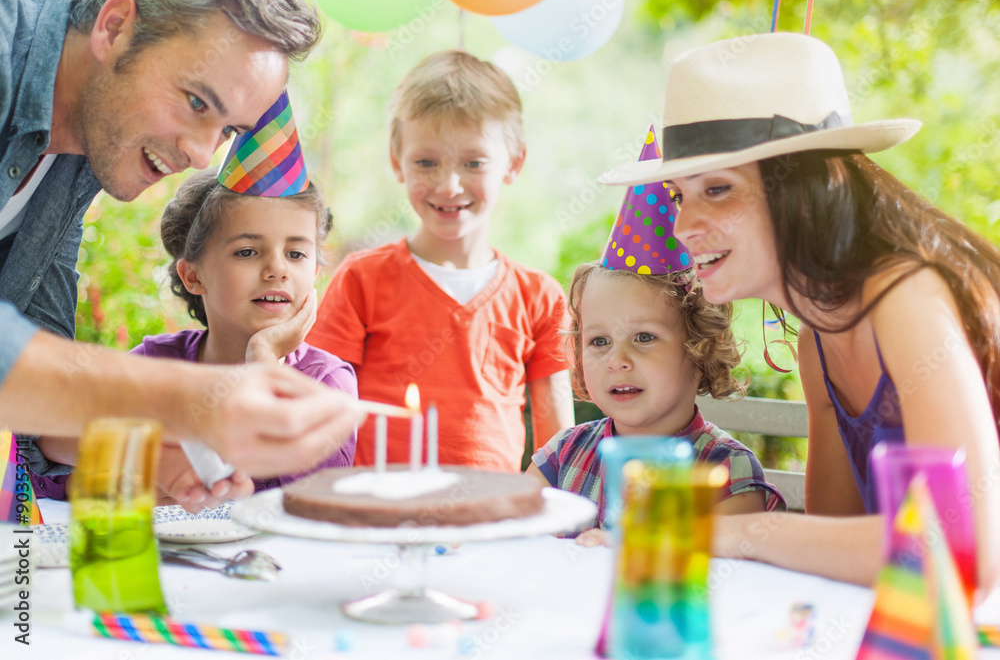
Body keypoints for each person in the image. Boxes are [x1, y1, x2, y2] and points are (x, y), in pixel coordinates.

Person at [598, 32, 1000, 594]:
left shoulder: (905, 295)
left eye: (717, 189)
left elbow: (962, 555)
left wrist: (719, 531)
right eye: (677, 195)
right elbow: (835, 540)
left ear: (810, 191)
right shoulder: (819, 341)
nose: (682, 226)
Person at [0, 0, 359, 489]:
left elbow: (36, 388)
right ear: (115, 26)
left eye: (226, 131)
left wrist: (157, 458)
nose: (199, 156)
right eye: (196, 102)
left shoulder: (79, 155)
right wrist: (186, 401)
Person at [32, 158, 358, 510]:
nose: (277, 269)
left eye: (296, 253)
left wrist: (263, 359)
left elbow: (311, 502)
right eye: (247, 251)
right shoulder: (155, 363)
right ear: (193, 276)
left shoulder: (327, 383)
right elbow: (49, 448)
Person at [308, 50, 574, 471]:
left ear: (514, 161)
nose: (449, 185)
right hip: (377, 517)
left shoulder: (541, 298)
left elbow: (560, 451)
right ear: (398, 163)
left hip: (492, 524)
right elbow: (320, 411)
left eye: (473, 163)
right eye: (426, 162)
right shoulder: (361, 279)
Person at [526, 150, 784, 542]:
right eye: (598, 341)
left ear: (699, 349)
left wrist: (627, 549)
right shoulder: (563, 455)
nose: (618, 360)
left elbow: (732, 563)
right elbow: (512, 533)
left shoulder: (726, 470)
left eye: (644, 337)